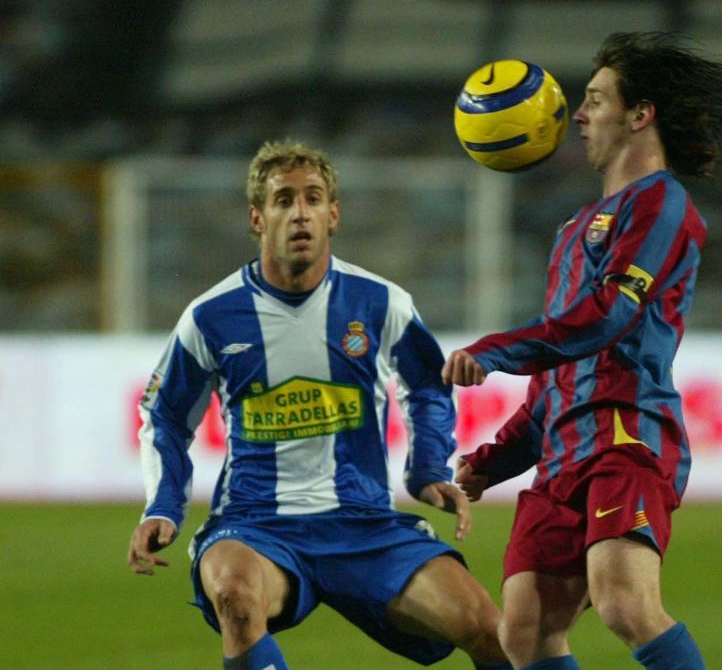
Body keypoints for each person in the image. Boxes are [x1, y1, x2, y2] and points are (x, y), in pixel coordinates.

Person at [128, 140, 510, 670]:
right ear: (257, 218)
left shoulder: (380, 302)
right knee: (236, 596)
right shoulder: (210, 317)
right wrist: (164, 506)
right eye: (283, 200)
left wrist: (426, 472)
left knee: (492, 631)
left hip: (364, 524)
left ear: (333, 213)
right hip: (255, 523)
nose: (300, 212)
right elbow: (165, 414)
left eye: (312, 198)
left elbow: (426, 384)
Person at [443, 32, 722, 670]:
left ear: (641, 115)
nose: (577, 115)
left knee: (624, 604)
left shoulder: (661, 203)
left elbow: (607, 319)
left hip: (624, 436)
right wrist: (496, 460)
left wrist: (495, 349)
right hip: (561, 457)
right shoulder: (574, 229)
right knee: (524, 633)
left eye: (595, 100)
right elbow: (558, 372)